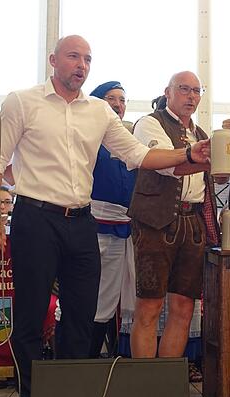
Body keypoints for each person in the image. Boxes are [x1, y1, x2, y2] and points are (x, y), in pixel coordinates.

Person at [0, 35, 210, 397]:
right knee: (31, 311)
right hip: (34, 217)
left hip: (80, 220)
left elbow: (137, 154)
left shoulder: (99, 112)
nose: (82, 65)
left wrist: (187, 153)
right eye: (74, 57)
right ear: (54, 60)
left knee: (81, 311)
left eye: (87, 59)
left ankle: (69, 394)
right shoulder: (22, 101)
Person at [128, 71, 219, 363]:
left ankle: (166, 383)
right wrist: (201, 159)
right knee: (150, 306)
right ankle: (145, 385)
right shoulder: (149, 123)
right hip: (155, 221)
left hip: (193, 222)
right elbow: (166, 164)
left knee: (183, 307)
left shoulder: (201, 134)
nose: (191, 96)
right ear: (167, 92)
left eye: (196, 91)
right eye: (184, 89)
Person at [88, 81, 137, 358]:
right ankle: (76, 362)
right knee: (88, 294)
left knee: (110, 298)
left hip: (124, 228)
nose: (118, 104)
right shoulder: (89, 137)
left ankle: (102, 361)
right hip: (92, 225)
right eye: (111, 98)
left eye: (122, 100)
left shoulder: (129, 141)